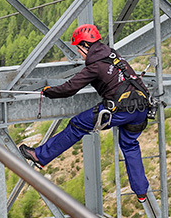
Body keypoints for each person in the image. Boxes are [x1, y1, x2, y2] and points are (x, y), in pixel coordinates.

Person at [19, 23, 153, 202]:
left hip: (120, 109)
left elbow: (70, 88)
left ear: (85, 46)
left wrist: (48, 91)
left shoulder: (95, 66)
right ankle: (141, 191)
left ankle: (41, 156)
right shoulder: (113, 56)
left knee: (77, 125)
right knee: (129, 145)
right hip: (141, 107)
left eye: (79, 49)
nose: (79, 54)